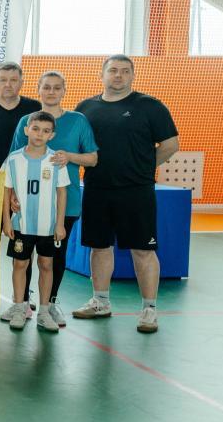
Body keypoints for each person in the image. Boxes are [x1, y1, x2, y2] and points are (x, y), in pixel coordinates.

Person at [71, 55, 179, 334]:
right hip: (96, 189)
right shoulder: (85, 108)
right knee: (99, 247)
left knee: (143, 250)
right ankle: (100, 302)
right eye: (113, 70)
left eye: (124, 71)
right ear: (102, 75)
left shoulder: (150, 106)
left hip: (136, 192)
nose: (118, 75)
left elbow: (170, 144)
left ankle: (149, 309)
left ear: (132, 75)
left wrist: (143, 168)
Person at [7, 71, 98, 325]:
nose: (51, 92)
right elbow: (14, 160)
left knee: (54, 257)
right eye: (46, 87)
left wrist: (69, 156)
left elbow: (92, 158)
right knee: (23, 257)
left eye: (57, 87)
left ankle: (50, 304)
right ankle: (22, 304)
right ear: (38, 89)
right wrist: (12, 195)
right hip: (27, 204)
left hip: (64, 204)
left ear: (64, 91)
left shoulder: (78, 120)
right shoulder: (27, 121)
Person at [2, 111, 70, 333]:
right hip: (22, 225)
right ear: (26, 130)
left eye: (46, 131)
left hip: (47, 227)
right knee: (20, 264)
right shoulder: (13, 159)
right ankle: (19, 308)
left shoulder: (56, 160)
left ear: (52, 135)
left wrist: (60, 224)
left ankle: (44, 311)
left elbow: (62, 193)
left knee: (46, 265)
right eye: (36, 129)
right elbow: (6, 191)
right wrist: (6, 221)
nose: (40, 134)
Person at [0, 62, 40, 167]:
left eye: (13, 80)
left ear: (21, 83)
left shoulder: (34, 108)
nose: (8, 85)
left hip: (24, 170)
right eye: (3, 80)